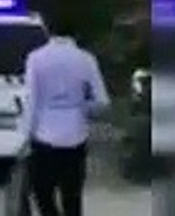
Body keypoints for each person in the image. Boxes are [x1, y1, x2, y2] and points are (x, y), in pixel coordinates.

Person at [21, 12, 111, 216]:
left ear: (49, 31)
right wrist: (80, 107)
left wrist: (25, 136)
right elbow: (102, 102)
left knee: (42, 193)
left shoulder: (35, 58)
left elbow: (31, 100)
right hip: (75, 137)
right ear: (76, 34)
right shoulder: (86, 59)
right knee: (72, 197)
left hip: (44, 137)